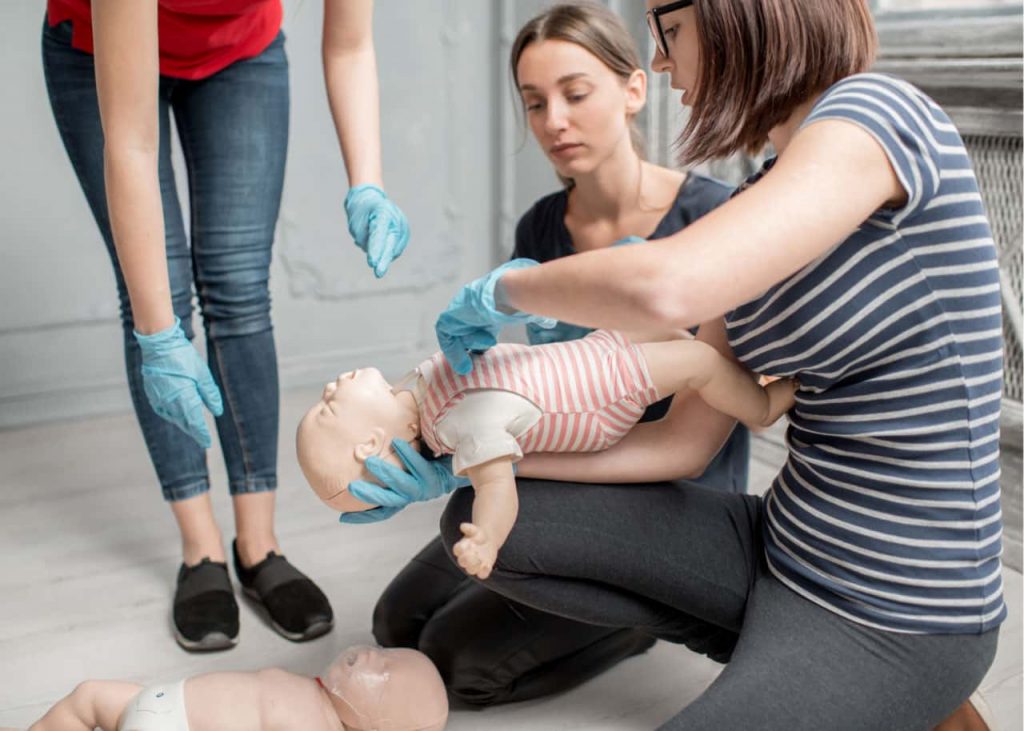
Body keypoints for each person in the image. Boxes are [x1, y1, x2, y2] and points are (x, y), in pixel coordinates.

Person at [375, 1, 1006, 729]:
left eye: (668, 31)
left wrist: (505, 290)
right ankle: (803, 667)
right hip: (781, 544)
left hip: (900, 608)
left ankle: (887, 685)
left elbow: (667, 286)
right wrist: (473, 462)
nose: (660, 59)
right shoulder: (756, 200)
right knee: (484, 522)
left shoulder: (879, 113)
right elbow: (682, 442)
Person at [351, 3, 754, 706]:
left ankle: (638, 618)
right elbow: (528, 394)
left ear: (634, 89)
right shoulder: (541, 226)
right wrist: (448, 448)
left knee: (461, 666)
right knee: (397, 622)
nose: (554, 122)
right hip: (567, 471)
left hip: (667, 490)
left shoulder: (716, 221)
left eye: (576, 93)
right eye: (535, 103)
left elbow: (691, 442)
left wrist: (486, 470)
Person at [42, 0, 408, 651]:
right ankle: (201, 549)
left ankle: (258, 546)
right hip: (96, 49)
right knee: (156, 298)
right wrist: (159, 336)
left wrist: (368, 183)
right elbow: (131, 144)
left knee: (240, 292)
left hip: (240, 54)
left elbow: (350, 46)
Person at [295, 328, 796, 577]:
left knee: (668, 328)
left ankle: (747, 377)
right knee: (698, 361)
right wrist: (487, 538)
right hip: (599, 394)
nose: (329, 389)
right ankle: (763, 406)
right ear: (369, 444)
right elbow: (498, 489)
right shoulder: (461, 425)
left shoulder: (419, 389)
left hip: (590, 352)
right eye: (327, 408)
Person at [4, 645, 448, 731]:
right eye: (385, 651)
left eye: (384, 673)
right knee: (88, 696)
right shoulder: (313, 689)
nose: (372, 654)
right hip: (157, 703)